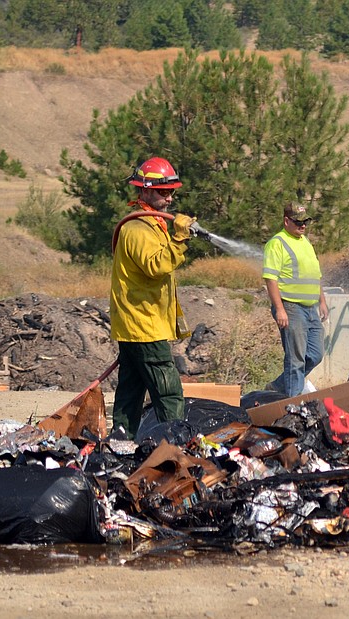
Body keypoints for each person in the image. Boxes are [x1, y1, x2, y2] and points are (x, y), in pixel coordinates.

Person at [110, 157, 196, 437]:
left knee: (130, 394)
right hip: (145, 327)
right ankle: (178, 447)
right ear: (144, 191)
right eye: (163, 191)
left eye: (171, 191)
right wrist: (180, 239)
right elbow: (156, 266)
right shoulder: (137, 229)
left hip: (137, 326)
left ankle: (121, 445)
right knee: (168, 392)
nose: (169, 198)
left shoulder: (150, 225)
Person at [263, 203, 328, 397]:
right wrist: (279, 309)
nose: (303, 226)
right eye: (298, 222)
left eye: (305, 221)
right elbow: (270, 278)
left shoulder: (305, 242)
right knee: (296, 359)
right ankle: (293, 404)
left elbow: (314, 274)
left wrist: (321, 301)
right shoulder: (277, 243)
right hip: (291, 307)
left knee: (315, 355)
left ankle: (280, 385)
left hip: (310, 308)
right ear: (286, 221)